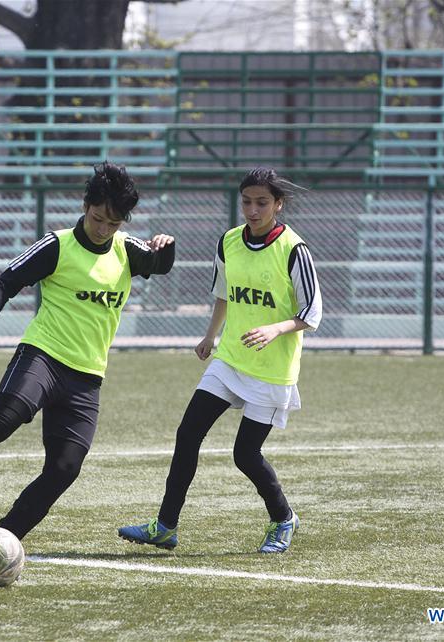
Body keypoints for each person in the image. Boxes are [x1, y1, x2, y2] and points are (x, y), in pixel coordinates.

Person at [0, 161, 175, 541]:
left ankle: (0, 540)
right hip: (42, 357)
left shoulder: (127, 250)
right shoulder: (58, 245)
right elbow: (4, 282)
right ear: (85, 205)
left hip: (87, 377)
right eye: (97, 219)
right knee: (5, 418)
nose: (103, 229)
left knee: (64, 468)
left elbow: (159, 265)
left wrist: (166, 246)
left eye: (113, 223)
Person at [118, 167, 322, 554]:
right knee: (188, 433)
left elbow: (311, 313)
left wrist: (274, 329)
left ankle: (283, 518)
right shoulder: (229, 241)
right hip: (230, 360)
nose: (253, 209)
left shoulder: (295, 249)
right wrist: (210, 336)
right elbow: (224, 294)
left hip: (271, 370)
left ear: (278, 204)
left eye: (262, 202)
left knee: (245, 455)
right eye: (247, 201)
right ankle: (165, 526)